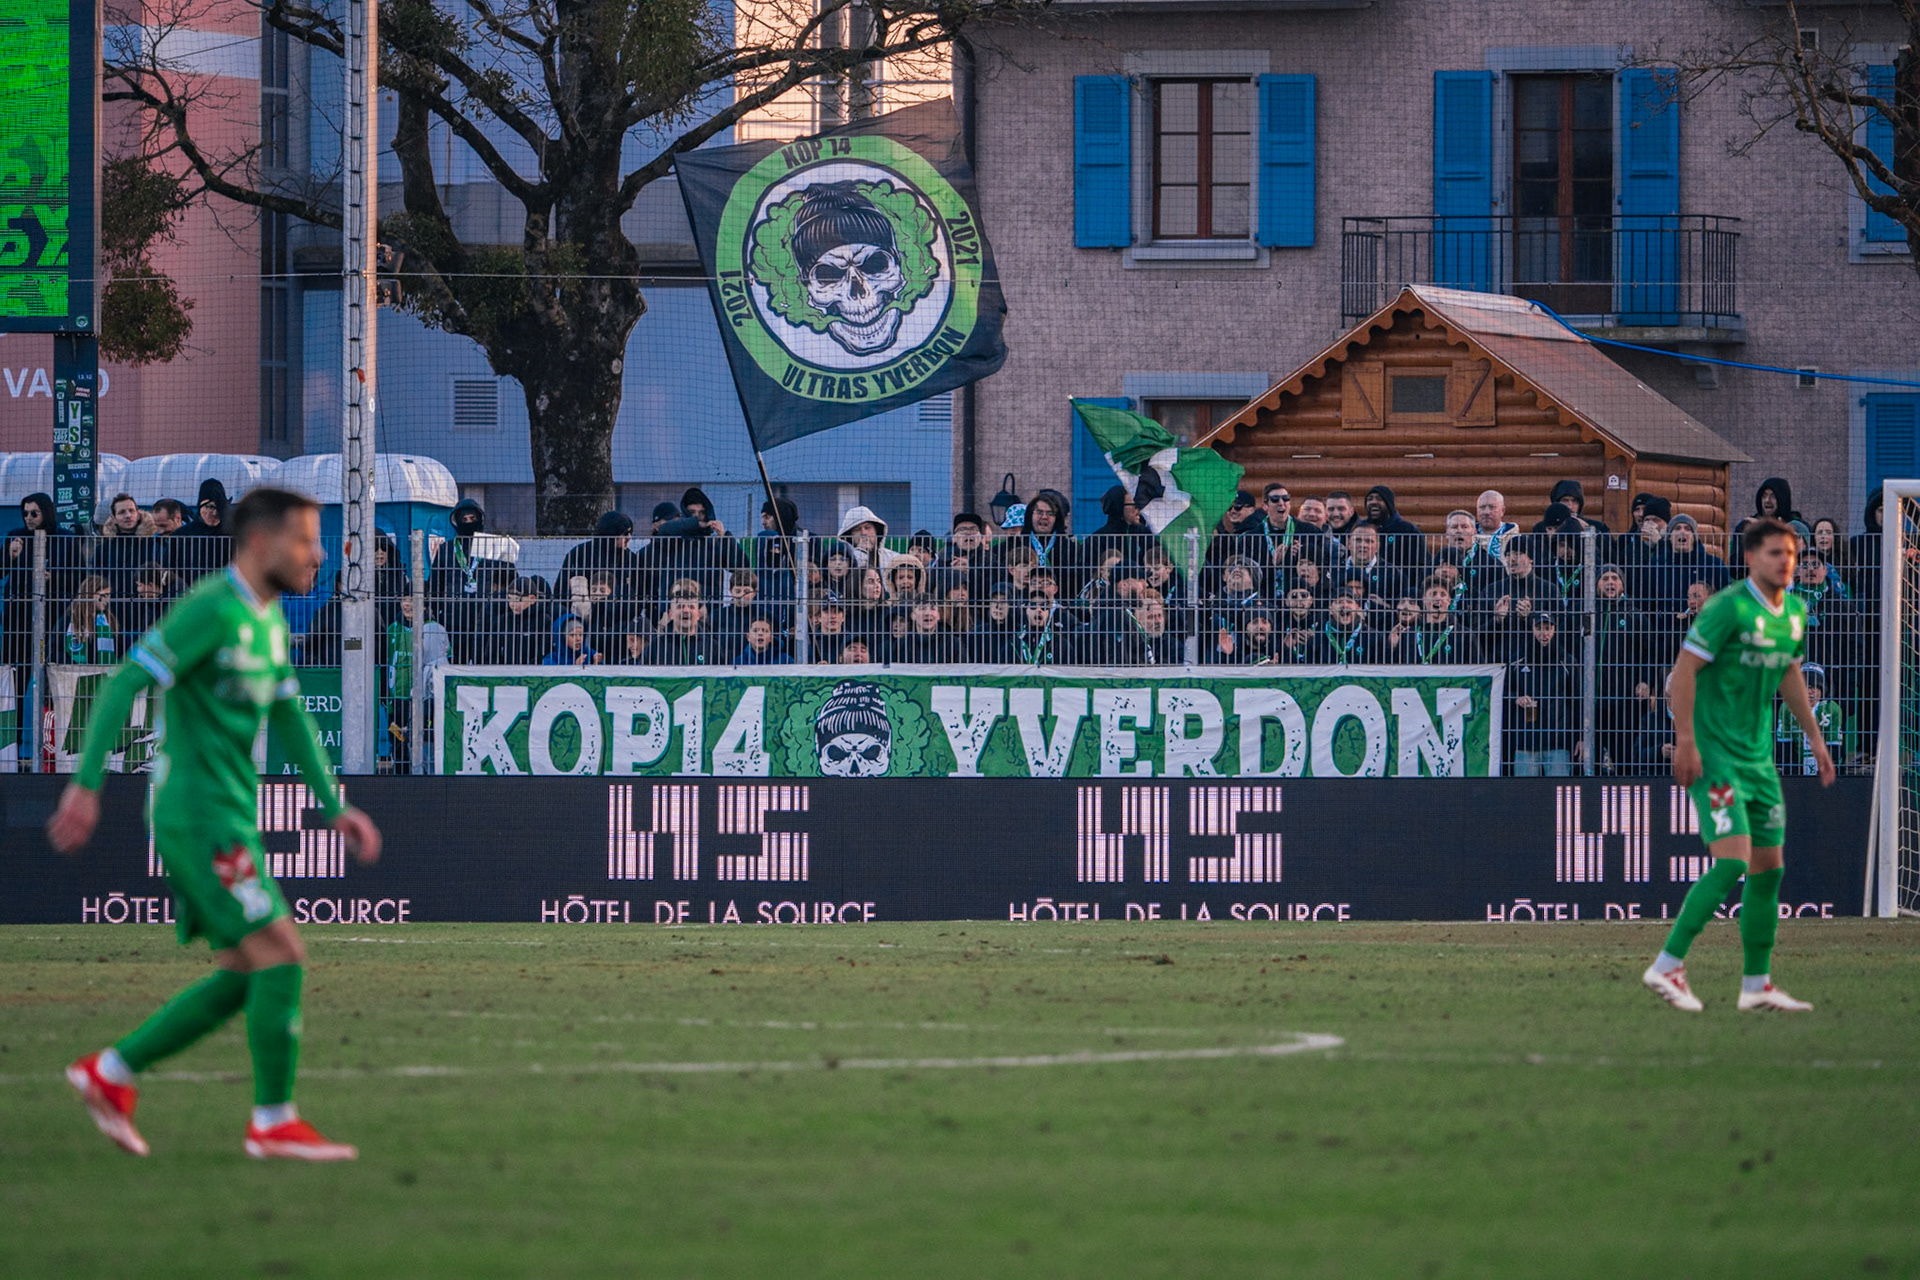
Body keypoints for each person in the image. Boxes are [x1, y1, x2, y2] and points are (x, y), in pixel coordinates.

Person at [49, 487, 382, 1160]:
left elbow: (288, 714)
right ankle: (272, 1121)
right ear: (261, 545)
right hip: (196, 817)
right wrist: (85, 786)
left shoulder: (269, 619)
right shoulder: (211, 608)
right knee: (283, 954)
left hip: (231, 813)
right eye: (305, 540)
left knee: (245, 970)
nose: (319, 553)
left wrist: (332, 802)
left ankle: (110, 1074)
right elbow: (123, 684)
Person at [1642, 517, 1834, 1014]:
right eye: (1775, 553)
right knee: (1732, 861)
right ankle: (1667, 963)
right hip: (1716, 756)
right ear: (1751, 558)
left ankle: (1756, 984)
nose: (1785, 562)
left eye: (1791, 553)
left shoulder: (1795, 611)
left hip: (1759, 760)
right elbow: (1683, 672)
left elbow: (1790, 671)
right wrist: (1685, 740)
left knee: (1768, 870)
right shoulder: (1726, 607)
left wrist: (1814, 737)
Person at [1507, 611, 1577, 775]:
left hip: (1558, 741)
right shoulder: (1517, 660)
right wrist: (1516, 698)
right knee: (1526, 796)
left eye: (1548, 628)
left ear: (1554, 630)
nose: (1543, 633)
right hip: (1526, 741)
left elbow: (1577, 700)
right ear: (1531, 629)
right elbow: (1503, 691)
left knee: (1560, 796)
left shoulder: (1566, 661)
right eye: (1539, 628)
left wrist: (1580, 736)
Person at [1730, 478, 1803, 567]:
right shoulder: (1746, 526)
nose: (1767, 500)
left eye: (1773, 496)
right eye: (1764, 496)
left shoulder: (1796, 526)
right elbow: (1736, 566)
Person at [65, 575, 121, 664]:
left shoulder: (109, 620)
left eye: (109, 595)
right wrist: (74, 665)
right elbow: (54, 651)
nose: (107, 600)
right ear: (91, 594)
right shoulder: (68, 620)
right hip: (76, 674)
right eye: (104, 595)